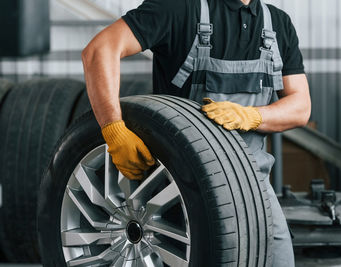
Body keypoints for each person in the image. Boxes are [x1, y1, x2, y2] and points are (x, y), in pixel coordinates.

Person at [82, 0, 311, 266]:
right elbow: (100, 49)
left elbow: (300, 107)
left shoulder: (277, 23)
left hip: (254, 189)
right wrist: (113, 128)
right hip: (181, 193)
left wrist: (252, 116)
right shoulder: (179, 8)